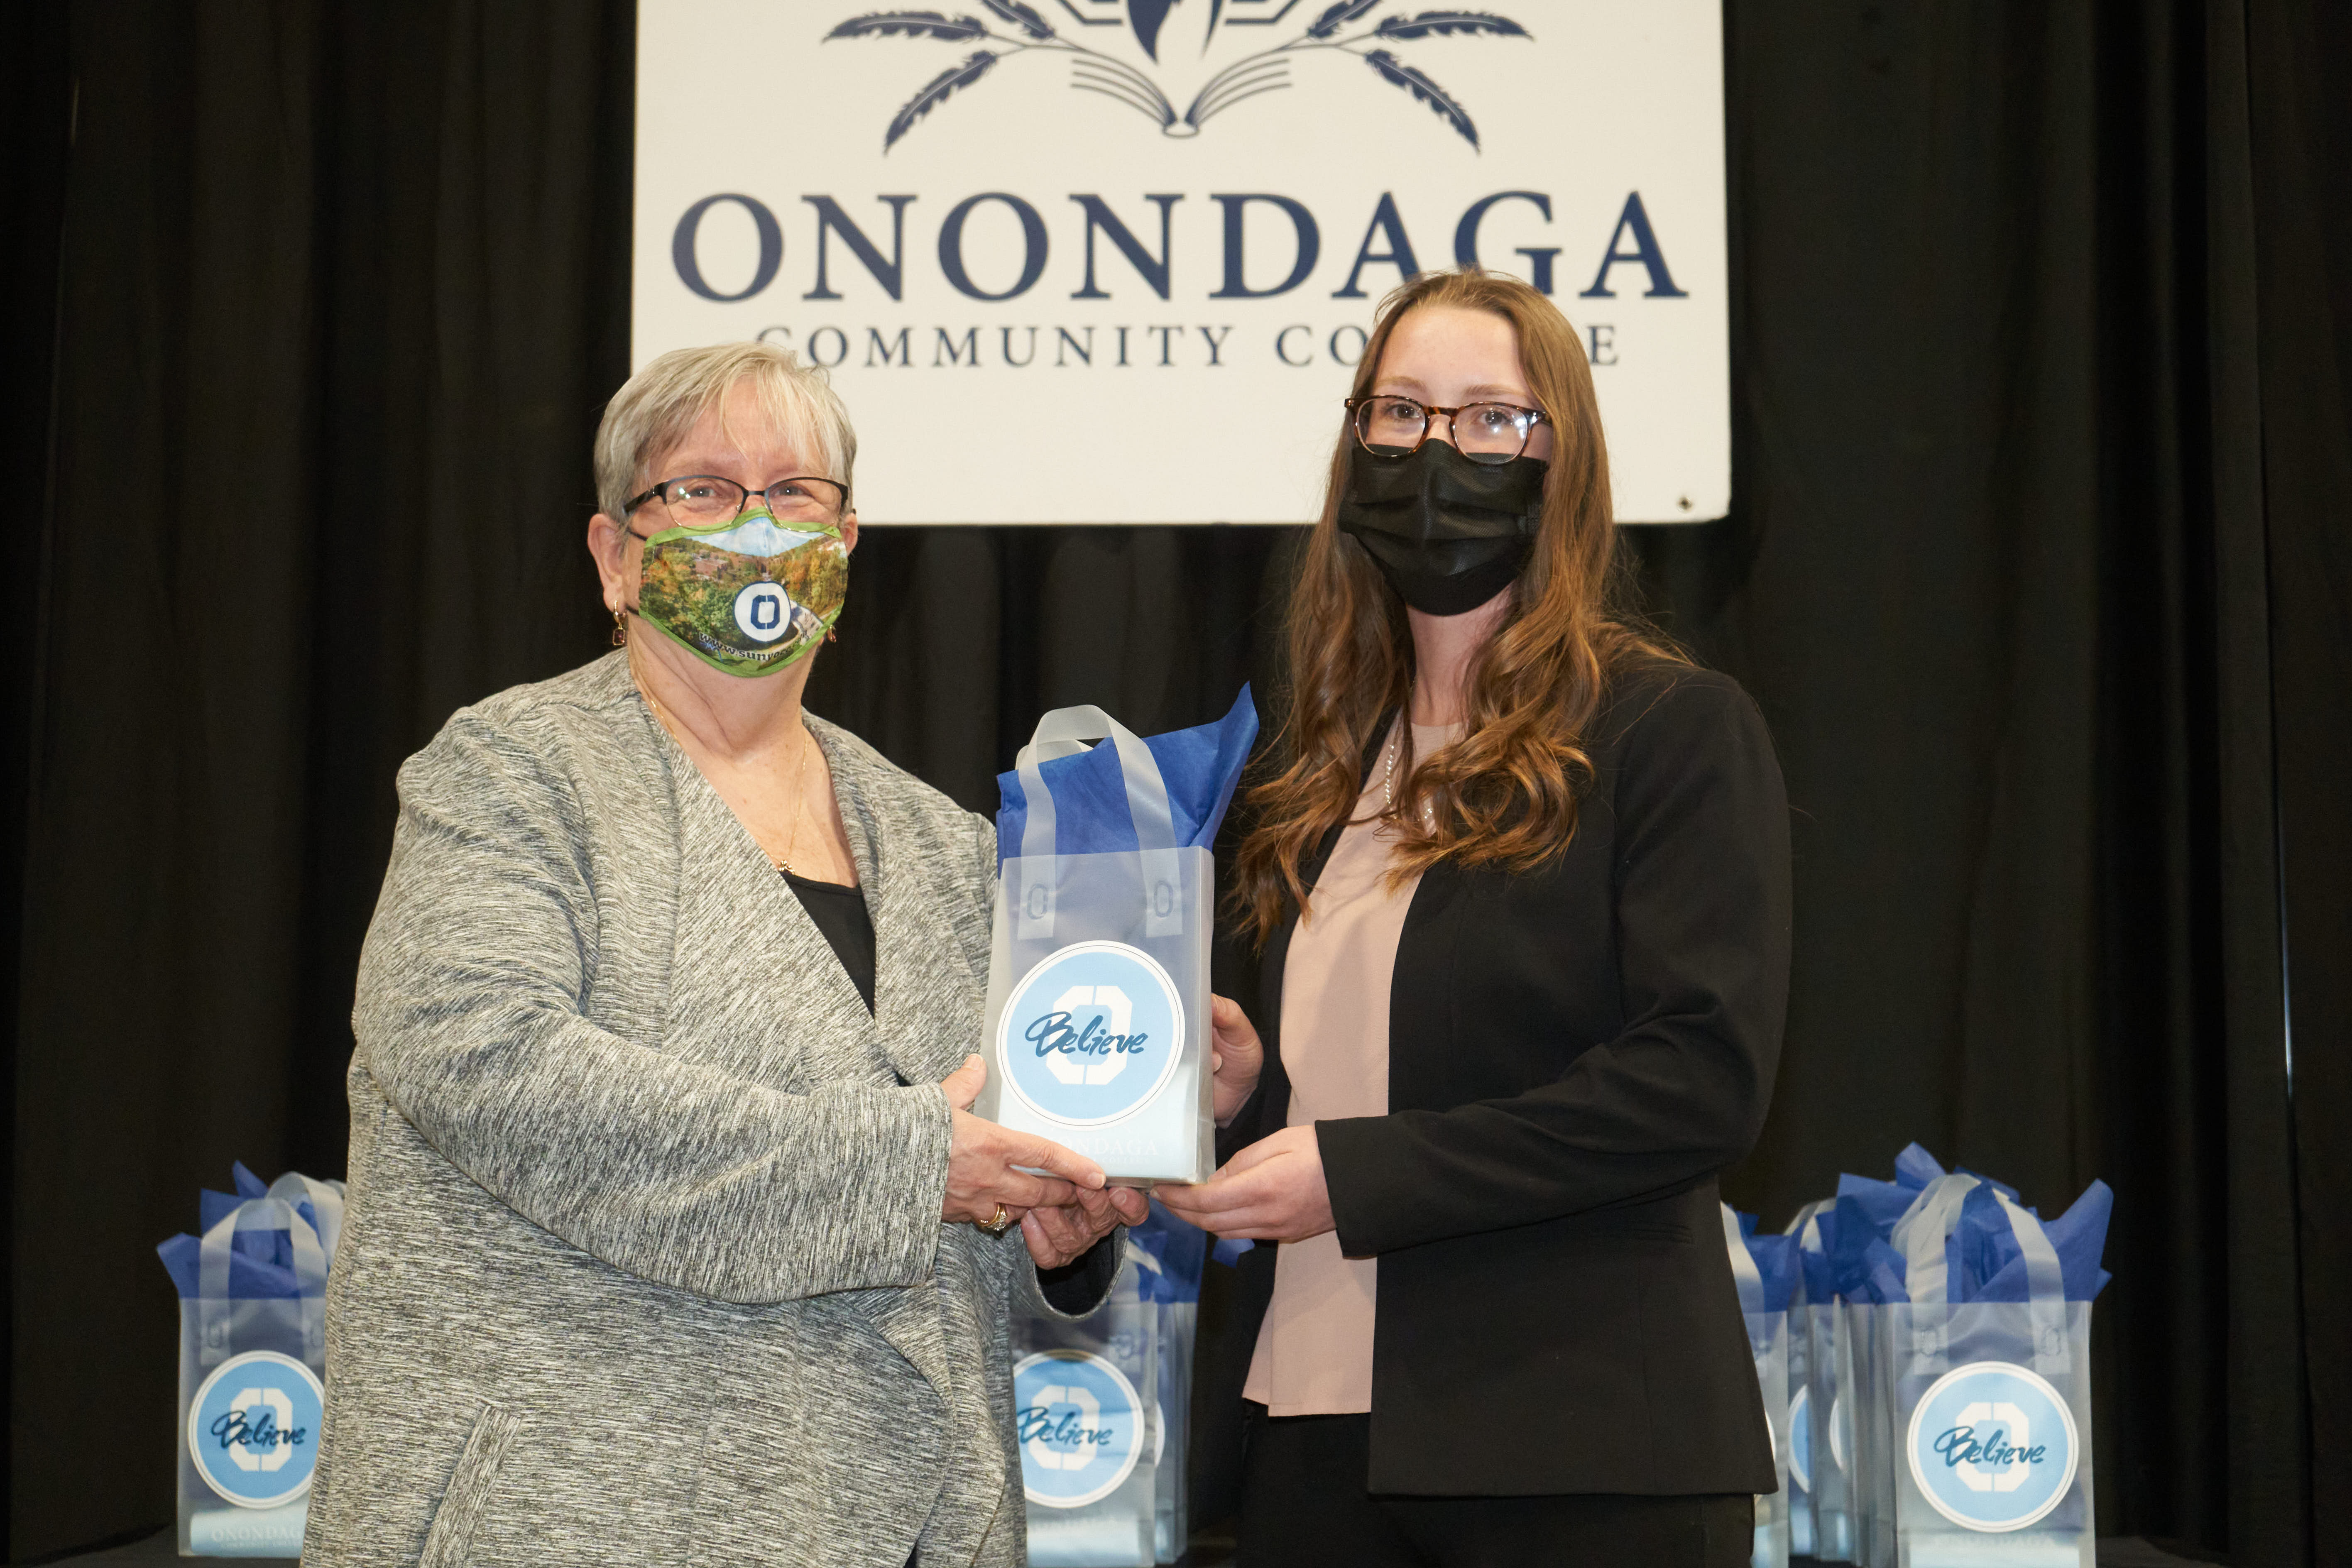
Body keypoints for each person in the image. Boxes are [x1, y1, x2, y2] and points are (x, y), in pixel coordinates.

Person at [305, 342, 1148, 1566]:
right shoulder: (507, 773)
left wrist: (1063, 1215)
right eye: (699, 489)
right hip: (570, 1514)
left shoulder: (947, 844)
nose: (755, 526)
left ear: (847, 544)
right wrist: (910, 1166)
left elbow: (967, 1216)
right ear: (613, 557)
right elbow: (490, 1069)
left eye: (793, 492)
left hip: (898, 1517)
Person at [1158, 270, 1791, 1568]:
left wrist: (1352, 1170)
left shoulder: (1667, 730)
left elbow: (1696, 1081)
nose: (1435, 452)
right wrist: (1245, 1099)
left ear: (1564, 459)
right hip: (1314, 1437)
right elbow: (1383, 1087)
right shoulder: (1320, 771)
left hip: (1575, 1448)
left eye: (1489, 418)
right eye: (1399, 413)